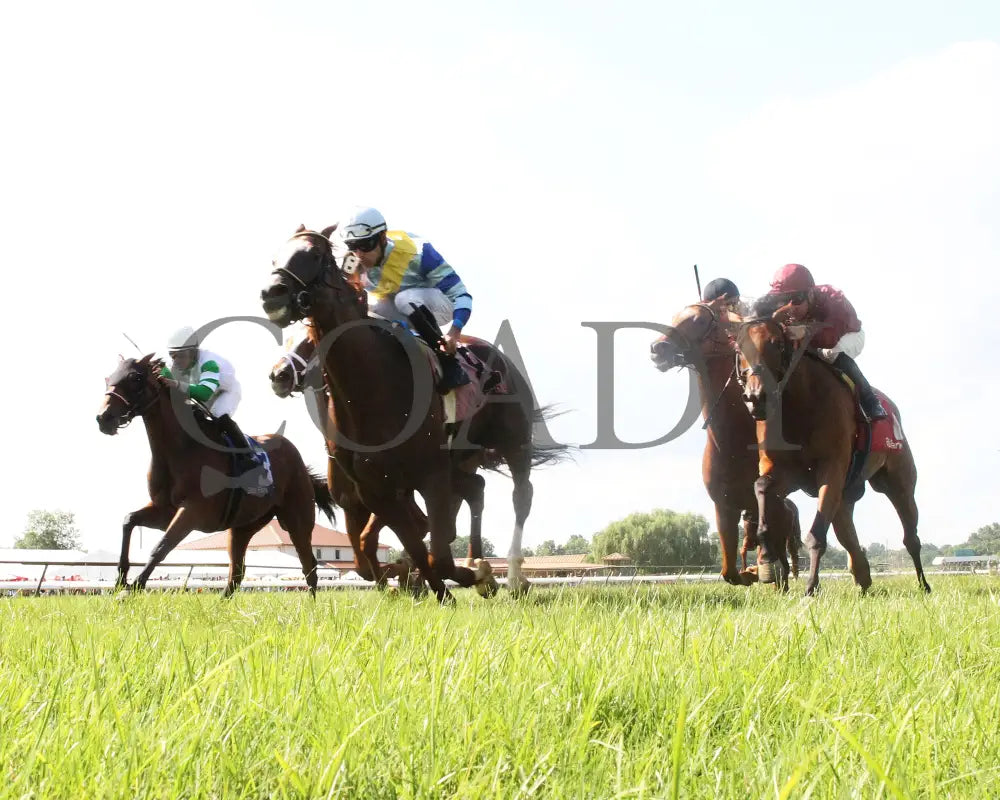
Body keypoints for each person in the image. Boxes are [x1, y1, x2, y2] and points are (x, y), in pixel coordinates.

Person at [336, 206, 472, 391]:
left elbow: (461, 295)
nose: (359, 254)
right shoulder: (351, 261)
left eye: (366, 245)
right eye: (352, 246)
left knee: (404, 298)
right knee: (370, 314)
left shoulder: (419, 252)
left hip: (440, 303)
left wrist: (454, 332)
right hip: (401, 305)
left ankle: (450, 364)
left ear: (382, 238)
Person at [763, 263, 887, 420]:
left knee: (830, 353)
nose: (790, 307)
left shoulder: (834, 299)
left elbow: (829, 339)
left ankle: (871, 402)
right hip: (817, 338)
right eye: (783, 300)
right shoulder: (783, 305)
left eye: (796, 300)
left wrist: (805, 332)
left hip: (847, 336)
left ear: (810, 294)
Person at [159, 326, 261, 475]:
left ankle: (248, 456)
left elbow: (204, 393)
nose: (177, 361)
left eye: (181, 355)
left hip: (225, 392)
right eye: (173, 355)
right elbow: (168, 379)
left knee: (218, 414)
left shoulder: (210, 363)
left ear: (193, 352)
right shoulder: (176, 364)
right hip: (203, 388)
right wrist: (159, 371)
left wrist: (177, 384)